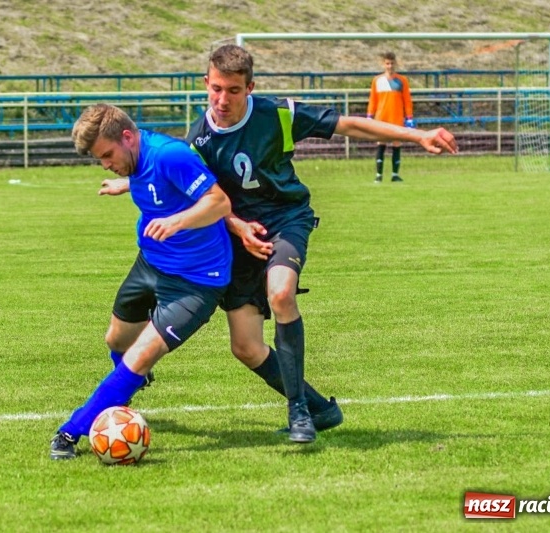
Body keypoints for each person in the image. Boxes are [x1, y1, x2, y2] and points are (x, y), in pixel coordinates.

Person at [185, 44, 457, 443]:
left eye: (234, 91)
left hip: (285, 220)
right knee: (245, 346)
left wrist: (418, 135)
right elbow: (200, 196)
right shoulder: (199, 139)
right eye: (216, 89)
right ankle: (321, 409)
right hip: (239, 236)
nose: (222, 99)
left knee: (281, 295)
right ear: (206, 83)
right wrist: (237, 226)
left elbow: (352, 125)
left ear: (251, 88)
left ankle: (298, 412)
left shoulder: (279, 114)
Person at [50, 104, 232, 459]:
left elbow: (219, 203)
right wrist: (125, 182)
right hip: (149, 263)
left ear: (128, 138)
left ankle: (72, 432)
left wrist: (177, 222)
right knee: (116, 340)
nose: (104, 163)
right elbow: (150, 178)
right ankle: (129, 382)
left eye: (107, 155)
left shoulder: (171, 155)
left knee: (139, 355)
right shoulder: (137, 160)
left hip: (196, 280)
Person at [366, 51, 415, 183]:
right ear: (383, 64)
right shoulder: (377, 80)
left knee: (397, 143)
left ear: (395, 64)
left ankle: (394, 174)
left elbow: (407, 100)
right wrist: (369, 115)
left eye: (392, 63)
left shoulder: (402, 80)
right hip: (381, 117)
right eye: (387, 63)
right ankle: (378, 175)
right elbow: (373, 99)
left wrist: (409, 117)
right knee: (381, 143)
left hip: (397, 117)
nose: (390, 66)